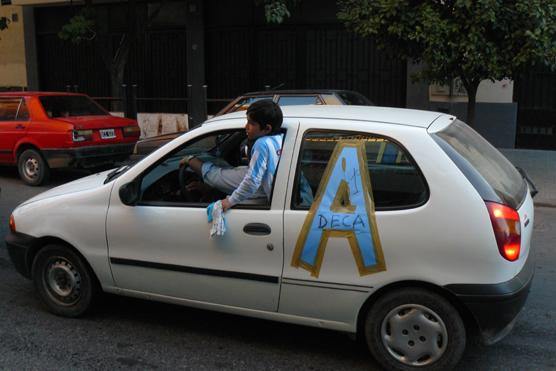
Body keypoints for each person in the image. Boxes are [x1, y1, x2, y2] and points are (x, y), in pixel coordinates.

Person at [181, 99, 284, 211]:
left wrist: (230, 201)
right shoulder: (280, 138)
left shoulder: (262, 144)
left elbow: (253, 180)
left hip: (266, 195)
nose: (246, 126)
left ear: (267, 128)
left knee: (217, 176)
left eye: (251, 123)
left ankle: (190, 160)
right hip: (271, 195)